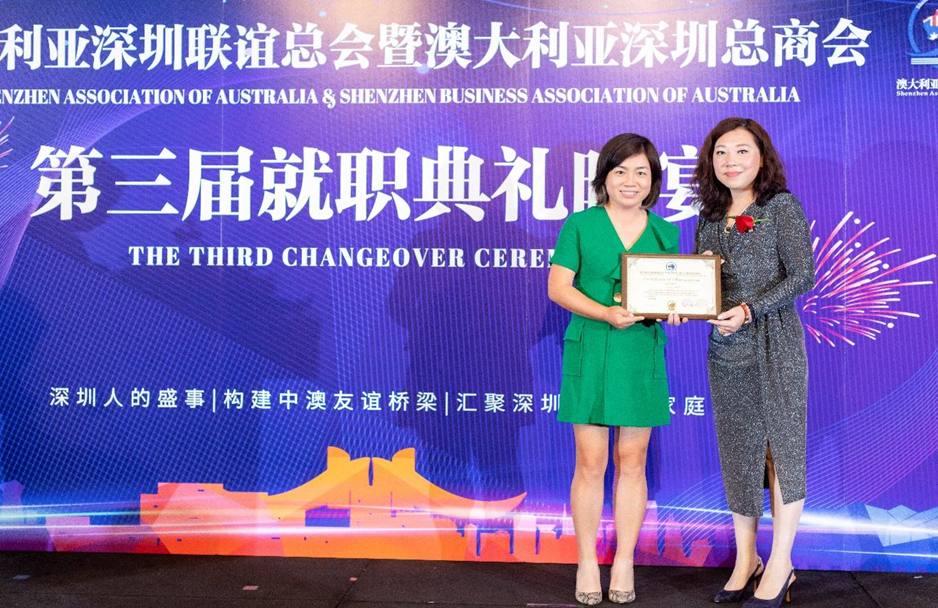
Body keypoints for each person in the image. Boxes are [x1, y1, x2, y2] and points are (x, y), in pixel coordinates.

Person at [548, 133, 682, 606]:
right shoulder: (580, 224)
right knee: (590, 463)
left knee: (633, 461)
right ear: (604, 177)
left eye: (641, 172)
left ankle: (624, 560)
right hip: (590, 346)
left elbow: (673, 293)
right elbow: (558, 287)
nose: (631, 180)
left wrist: (677, 309)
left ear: (653, 180)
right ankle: (587, 560)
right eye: (621, 171)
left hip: (640, 351)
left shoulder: (665, 232)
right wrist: (605, 312)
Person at [691, 118, 814, 608]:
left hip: (775, 340)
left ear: (762, 157)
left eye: (742, 150)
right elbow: (702, 284)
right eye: (721, 152)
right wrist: (686, 307)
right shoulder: (709, 215)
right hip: (726, 347)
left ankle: (781, 563)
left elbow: (802, 276)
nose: (731, 161)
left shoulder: (780, 207)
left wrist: (749, 309)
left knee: (781, 448)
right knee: (739, 450)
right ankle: (747, 560)